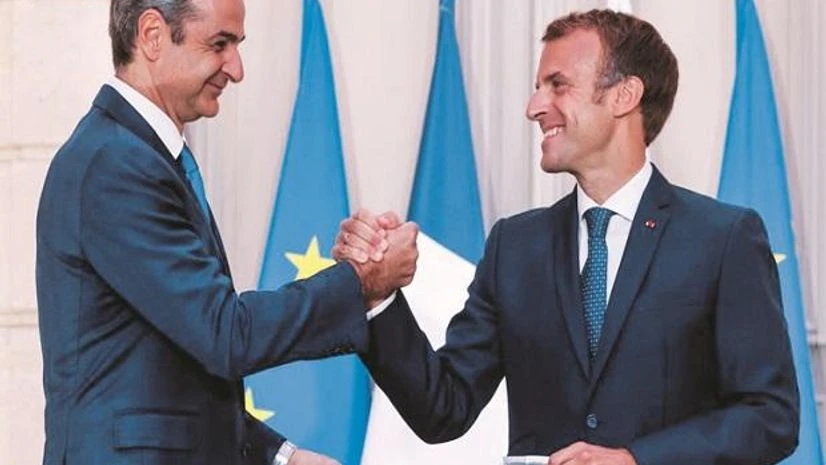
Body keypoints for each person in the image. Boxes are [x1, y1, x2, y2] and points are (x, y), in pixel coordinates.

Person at [335, 9, 799, 465]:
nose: (534, 107)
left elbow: (770, 416)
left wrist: (636, 459)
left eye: (557, 85)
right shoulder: (515, 246)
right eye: (539, 88)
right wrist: (378, 296)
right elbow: (442, 409)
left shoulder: (722, 238)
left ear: (624, 95)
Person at [35, 1, 417, 464]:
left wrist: (282, 456)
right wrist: (363, 280)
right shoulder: (116, 163)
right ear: (152, 35)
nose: (236, 70)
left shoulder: (135, 155)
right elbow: (223, 334)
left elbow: (173, 371)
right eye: (220, 44)